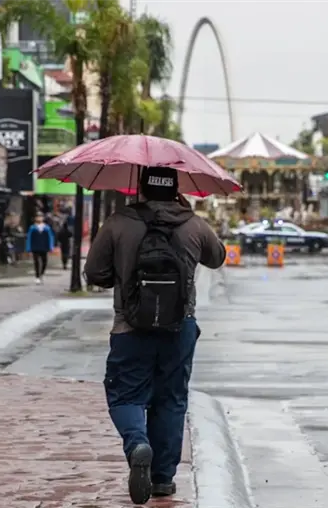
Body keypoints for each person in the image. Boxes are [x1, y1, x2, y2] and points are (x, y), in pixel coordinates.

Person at [84, 166, 226, 505]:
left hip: (130, 327)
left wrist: (122, 274)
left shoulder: (119, 222)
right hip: (180, 327)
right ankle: (163, 479)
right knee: (171, 400)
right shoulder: (193, 224)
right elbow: (217, 257)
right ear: (176, 190)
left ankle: (137, 444)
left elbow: (94, 272)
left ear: (142, 189)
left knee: (125, 395)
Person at [25, 212, 54, 284]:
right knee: (36, 262)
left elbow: (50, 237)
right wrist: (28, 248)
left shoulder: (47, 227)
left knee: (44, 261)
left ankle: (42, 274)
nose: (39, 218)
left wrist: (51, 247)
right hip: (35, 247)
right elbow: (29, 238)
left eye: (40, 216)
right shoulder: (32, 227)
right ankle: (37, 276)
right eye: (37, 217)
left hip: (44, 247)